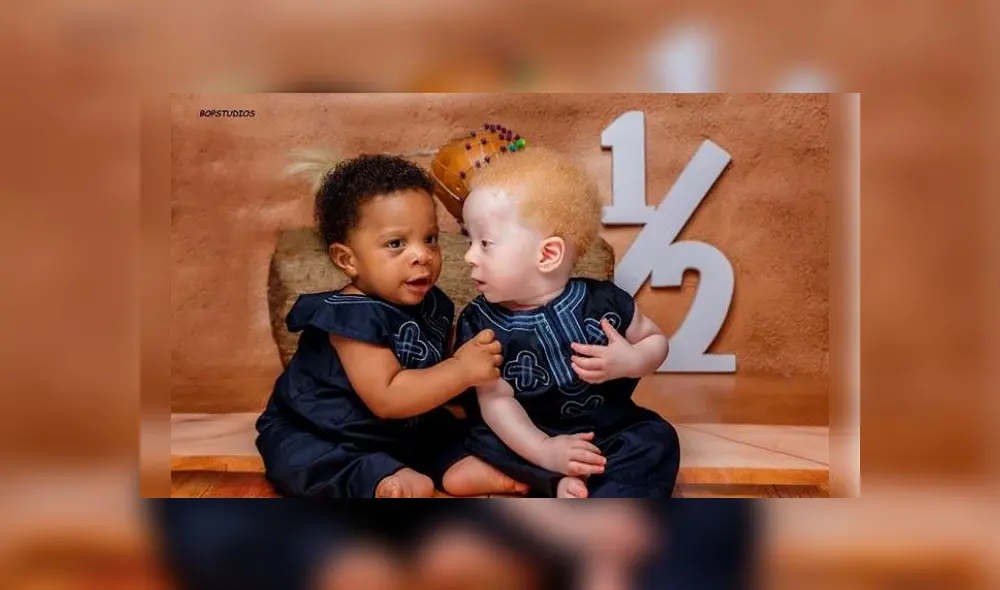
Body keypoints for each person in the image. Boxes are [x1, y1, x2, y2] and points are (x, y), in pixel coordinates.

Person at [255, 153, 528, 498]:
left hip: (400, 428)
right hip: (323, 431)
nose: (422, 255)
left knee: (450, 429)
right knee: (305, 458)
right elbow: (388, 397)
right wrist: (462, 369)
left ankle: (461, 469)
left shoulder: (433, 303)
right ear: (347, 259)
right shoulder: (350, 317)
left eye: (430, 239)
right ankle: (378, 481)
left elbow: (434, 376)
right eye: (396, 244)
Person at [455, 146, 680, 497]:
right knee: (480, 434)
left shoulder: (602, 302)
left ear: (547, 255)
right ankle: (555, 480)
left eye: (485, 243)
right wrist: (544, 448)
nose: (469, 257)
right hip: (527, 433)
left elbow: (655, 340)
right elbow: (496, 402)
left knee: (656, 438)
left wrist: (632, 361)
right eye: (469, 240)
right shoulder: (479, 323)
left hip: (605, 429)